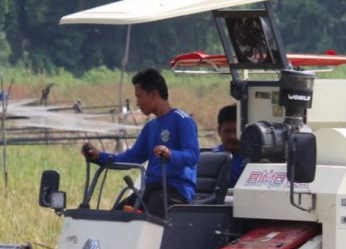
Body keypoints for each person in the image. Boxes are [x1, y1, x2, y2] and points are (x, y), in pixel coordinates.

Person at [81, 68, 199, 217]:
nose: (137, 103)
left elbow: (193, 155)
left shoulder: (183, 120)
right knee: (114, 216)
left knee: (147, 220)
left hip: (175, 192)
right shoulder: (150, 127)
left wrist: (170, 154)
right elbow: (131, 157)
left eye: (139, 97)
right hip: (150, 190)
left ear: (153, 94)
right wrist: (99, 157)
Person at [215, 103, 247, 187]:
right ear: (219, 131)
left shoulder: (254, 161)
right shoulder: (213, 160)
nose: (232, 136)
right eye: (227, 131)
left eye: (236, 131)